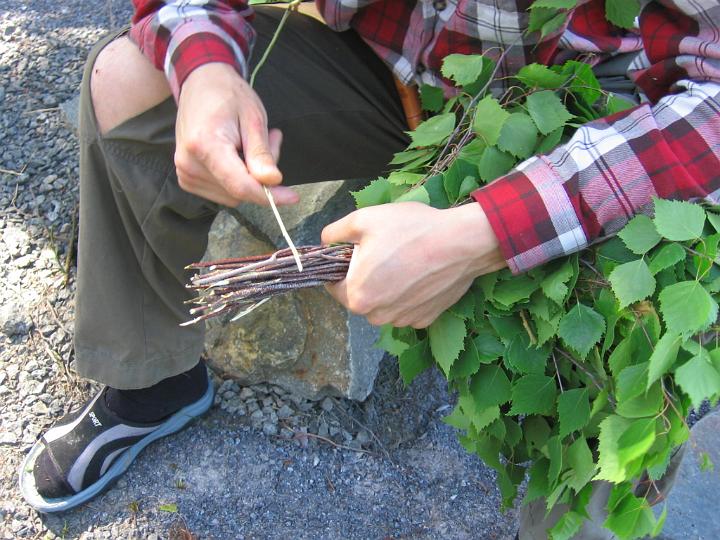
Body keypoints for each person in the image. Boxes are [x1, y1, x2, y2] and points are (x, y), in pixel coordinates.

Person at [19, 0, 720, 532]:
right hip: (406, 77)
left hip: (615, 129)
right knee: (129, 81)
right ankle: (152, 381)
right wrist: (205, 66)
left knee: (618, 404)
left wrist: (483, 234)